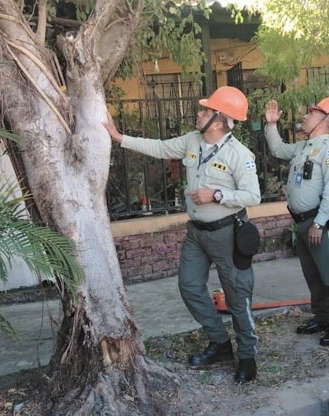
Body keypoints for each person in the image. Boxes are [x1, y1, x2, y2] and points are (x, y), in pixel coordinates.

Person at [102, 86, 262, 382]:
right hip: (197, 234)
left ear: (218, 120)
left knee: (238, 297)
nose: (198, 113)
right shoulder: (192, 141)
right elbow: (161, 148)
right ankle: (220, 343)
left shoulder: (240, 155)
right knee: (189, 286)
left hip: (227, 233)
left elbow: (253, 196)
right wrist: (120, 138)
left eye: (205, 110)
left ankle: (247, 355)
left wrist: (216, 194)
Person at [264, 97, 329, 346]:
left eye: (311, 113)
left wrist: (319, 223)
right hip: (303, 222)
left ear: (325, 120)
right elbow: (278, 150)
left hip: (319, 223)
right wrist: (271, 126)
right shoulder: (304, 147)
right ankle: (323, 318)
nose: (305, 116)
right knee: (314, 276)